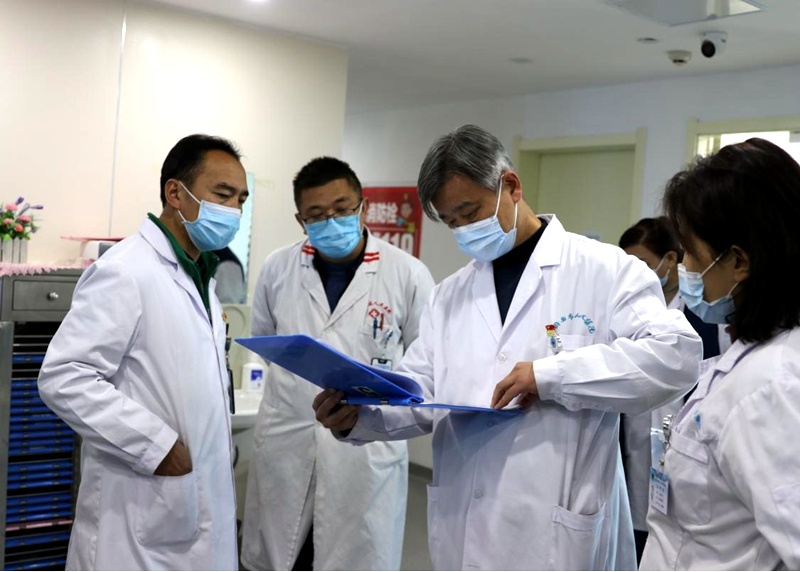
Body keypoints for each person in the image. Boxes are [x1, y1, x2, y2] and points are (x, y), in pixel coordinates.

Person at [313, 125, 703, 570]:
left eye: (469, 212)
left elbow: (675, 356)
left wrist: (550, 376)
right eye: (451, 222)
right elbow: (421, 389)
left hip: (555, 531)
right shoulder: (449, 295)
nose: (463, 230)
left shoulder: (605, 269)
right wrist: (360, 416)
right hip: (465, 518)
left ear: (511, 186)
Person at [37, 134, 249, 570]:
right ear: (175, 193)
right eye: (222, 195)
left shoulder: (200, 277)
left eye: (241, 200)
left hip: (191, 511)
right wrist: (157, 446)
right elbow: (65, 376)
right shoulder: (125, 270)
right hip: (140, 520)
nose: (234, 211)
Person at [240, 157, 435, 571]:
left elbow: (426, 363)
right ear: (300, 220)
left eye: (342, 209)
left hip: (365, 453)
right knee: (281, 555)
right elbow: (266, 342)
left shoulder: (408, 274)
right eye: (316, 215)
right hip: (287, 439)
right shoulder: (277, 268)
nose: (331, 221)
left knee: (355, 552)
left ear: (363, 208)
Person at [640, 138, 800, 570]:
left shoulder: (769, 387)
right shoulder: (754, 355)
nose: (686, 269)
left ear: (739, 262)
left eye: (692, 254)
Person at [617, 216, 730, 562]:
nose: (633, 272)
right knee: (640, 533)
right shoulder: (626, 311)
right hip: (637, 450)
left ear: (670, 259)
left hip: (692, 445)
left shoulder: (708, 312)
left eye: (642, 263)